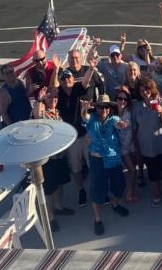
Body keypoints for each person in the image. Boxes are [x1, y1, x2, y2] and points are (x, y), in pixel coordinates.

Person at [80, 94, 130, 234]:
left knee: (118, 185)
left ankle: (114, 204)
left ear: (110, 108)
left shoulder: (113, 118)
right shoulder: (92, 120)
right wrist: (84, 109)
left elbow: (119, 123)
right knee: (97, 190)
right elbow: (85, 117)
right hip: (97, 161)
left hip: (113, 159)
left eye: (106, 107)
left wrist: (121, 124)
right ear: (96, 108)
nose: (104, 110)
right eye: (101, 107)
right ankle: (97, 219)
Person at [133, 77, 162, 206]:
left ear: (151, 89)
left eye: (147, 89)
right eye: (141, 90)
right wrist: (136, 145)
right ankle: (157, 195)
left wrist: (161, 110)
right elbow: (134, 127)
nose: (144, 92)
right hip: (146, 145)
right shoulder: (136, 106)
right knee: (152, 172)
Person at [57, 62, 97, 206]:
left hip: (85, 134)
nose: (66, 79)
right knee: (75, 168)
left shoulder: (77, 89)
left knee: (93, 163)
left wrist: (91, 68)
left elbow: (86, 81)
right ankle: (81, 190)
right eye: (63, 78)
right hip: (70, 138)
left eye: (69, 77)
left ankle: (96, 189)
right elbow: (50, 90)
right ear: (60, 82)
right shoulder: (58, 94)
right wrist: (57, 68)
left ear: (73, 80)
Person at [32, 90, 73, 230]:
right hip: (48, 158)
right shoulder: (43, 113)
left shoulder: (58, 112)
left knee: (60, 183)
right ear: (45, 99)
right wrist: (39, 100)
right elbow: (36, 115)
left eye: (55, 97)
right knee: (49, 189)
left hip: (60, 155)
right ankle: (50, 218)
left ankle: (58, 207)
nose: (53, 99)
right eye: (50, 97)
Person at [113, 86, 138, 203]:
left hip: (131, 144)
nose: (122, 101)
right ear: (116, 99)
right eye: (120, 98)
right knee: (132, 170)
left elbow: (133, 128)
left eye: (125, 99)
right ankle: (129, 195)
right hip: (121, 147)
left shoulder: (129, 112)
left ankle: (131, 189)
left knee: (133, 169)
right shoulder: (111, 114)